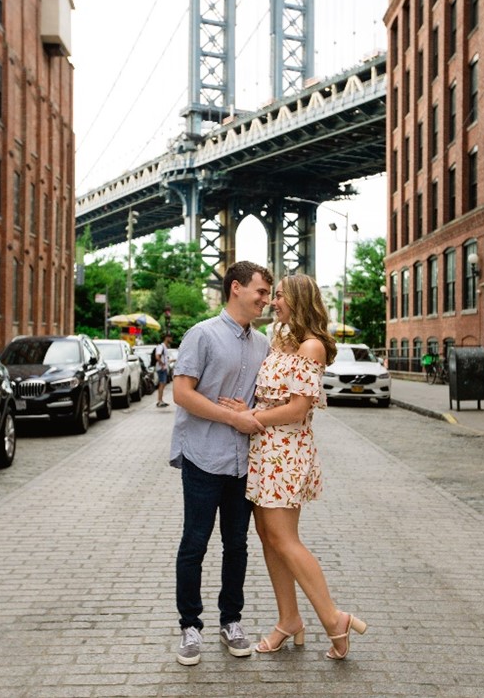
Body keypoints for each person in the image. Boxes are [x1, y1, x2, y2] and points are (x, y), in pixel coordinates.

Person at [219, 274, 367, 661]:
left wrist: (252, 417)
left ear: (298, 299)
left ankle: (334, 619)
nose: (272, 302)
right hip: (265, 449)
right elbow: (268, 392)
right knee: (268, 536)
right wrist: (245, 408)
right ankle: (289, 620)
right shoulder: (280, 338)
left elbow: (299, 408)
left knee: (285, 539)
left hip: (286, 450)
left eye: (279, 295)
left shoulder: (311, 346)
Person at [170, 260, 274, 666]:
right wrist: (233, 416)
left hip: (243, 462)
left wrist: (253, 414)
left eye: (268, 293)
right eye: (260, 292)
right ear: (236, 288)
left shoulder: (262, 343)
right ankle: (190, 627)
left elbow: (261, 401)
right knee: (194, 543)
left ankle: (231, 621)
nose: (265, 299)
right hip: (204, 456)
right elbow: (182, 393)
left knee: (237, 546)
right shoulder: (203, 335)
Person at [153, 333, 173, 407]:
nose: (171, 340)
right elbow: (157, 357)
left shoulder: (164, 347)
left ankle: (161, 400)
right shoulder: (161, 346)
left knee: (163, 384)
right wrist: (162, 365)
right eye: (170, 338)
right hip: (161, 368)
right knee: (162, 384)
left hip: (163, 368)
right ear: (166, 338)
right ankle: (159, 401)